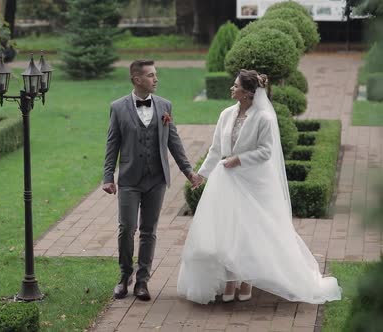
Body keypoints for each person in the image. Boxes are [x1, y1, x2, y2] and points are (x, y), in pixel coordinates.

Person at [176, 69, 341, 304]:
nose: (231, 88)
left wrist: (239, 159)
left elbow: (266, 151)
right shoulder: (225, 114)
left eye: (236, 86)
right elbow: (215, 149)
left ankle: (247, 280)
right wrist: (201, 175)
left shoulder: (264, 118)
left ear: (248, 93)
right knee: (226, 232)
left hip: (253, 182)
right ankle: (230, 279)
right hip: (226, 181)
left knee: (249, 233)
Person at [103, 60, 202, 301]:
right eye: (150, 75)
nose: (156, 79)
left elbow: (174, 141)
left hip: (156, 179)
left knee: (149, 231)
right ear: (137, 80)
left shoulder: (165, 106)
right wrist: (108, 176)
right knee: (126, 228)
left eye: (155, 75)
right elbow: (112, 143)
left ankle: (142, 281)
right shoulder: (118, 108)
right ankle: (125, 275)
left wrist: (188, 171)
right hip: (129, 179)